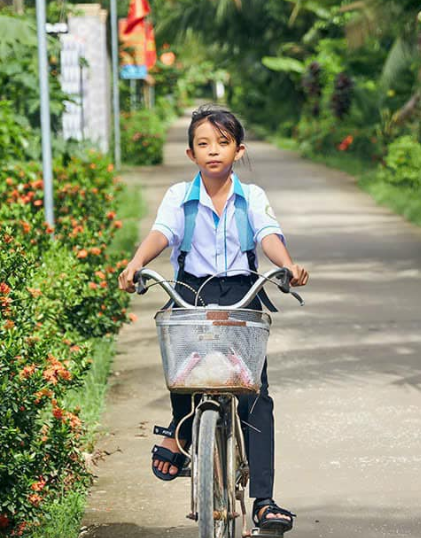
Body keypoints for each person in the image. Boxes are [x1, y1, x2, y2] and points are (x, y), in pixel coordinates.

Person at [118, 105, 309, 534]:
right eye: (203, 144)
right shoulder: (177, 197)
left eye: (223, 143)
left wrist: (287, 265)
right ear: (190, 154)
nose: (213, 151)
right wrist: (135, 263)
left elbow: (267, 236)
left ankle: (263, 500)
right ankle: (183, 428)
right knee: (183, 364)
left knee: (253, 394)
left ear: (239, 150)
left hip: (242, 291)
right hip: (190, 289)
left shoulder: (252, 197)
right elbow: (163, 233)